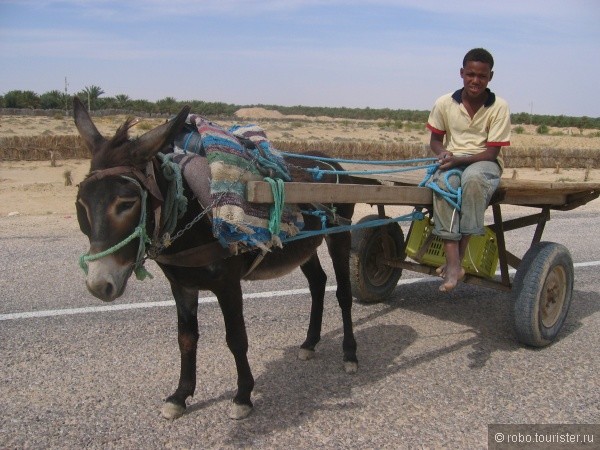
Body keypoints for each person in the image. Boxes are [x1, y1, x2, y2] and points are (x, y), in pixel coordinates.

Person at [426, 48, 511, 292]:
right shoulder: (444, 102)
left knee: (473, 180)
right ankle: (454, 265)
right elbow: (435, 141)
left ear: (490, 77)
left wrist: (460, 160)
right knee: (443, 184)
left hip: (484, 163)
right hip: (453, 161)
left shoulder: (499, 107)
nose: (475, 80)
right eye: (470, 74)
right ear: (462, 73)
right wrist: (442, 153)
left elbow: (491, 153)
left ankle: (455, 263)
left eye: (481, 76)